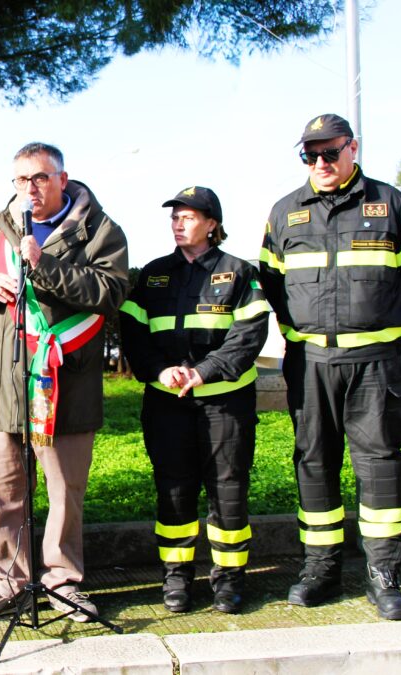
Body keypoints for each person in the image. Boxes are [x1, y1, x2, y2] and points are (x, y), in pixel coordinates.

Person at [259, 114, 401, 620]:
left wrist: (384, 324)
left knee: (380, 468)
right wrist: (301, 332)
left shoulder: (390, 205)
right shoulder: (285, 211)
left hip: (375, 362)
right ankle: (321, 568)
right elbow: (272, 281)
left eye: (330, 153)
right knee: (314, 464)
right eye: (309, 155)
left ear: (352, 148)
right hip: (311, 361)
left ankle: (383, 574)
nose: (320, 163)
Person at [0, 143, 130, 621]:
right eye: (21, 180)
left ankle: (63, 581)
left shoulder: (101, 229)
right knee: (4, 487)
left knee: (64, 489)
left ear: (62, 178)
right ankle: (9, 581)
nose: (30, 188)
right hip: (3, 382)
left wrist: (46, 266)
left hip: (64, 383)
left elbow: (109, 292)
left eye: (40, 178)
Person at [120, 186, 269, 614]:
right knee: (174, 490)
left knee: (228, 490)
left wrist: (204, 372)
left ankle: (228, 580)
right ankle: (177, 579)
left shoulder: (238, 271)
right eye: (174, 217)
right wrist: (159, 371)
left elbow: (249, 335)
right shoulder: (152, 274)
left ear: (212, 224)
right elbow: (133, 332)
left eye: (188, 217)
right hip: (167, 403)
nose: (178, 223)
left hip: (225, 404)